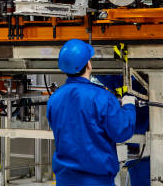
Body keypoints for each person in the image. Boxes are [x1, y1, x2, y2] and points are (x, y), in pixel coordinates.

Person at [47, 39, 137, 186]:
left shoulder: (55, 98)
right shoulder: (102, 97)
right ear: (88, 64)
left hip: (64, 180)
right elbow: (121, 132)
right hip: (96, 181)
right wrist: (128, 106)